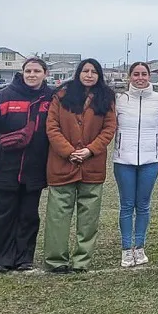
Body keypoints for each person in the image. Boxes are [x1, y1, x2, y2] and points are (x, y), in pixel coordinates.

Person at [0, 57, 54, 272]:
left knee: (29, 215)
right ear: (22, 72)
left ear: (45, 74)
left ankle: (24, 258)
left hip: (34, 168)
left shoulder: (51, 98)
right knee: (3, 214)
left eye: (37, 71)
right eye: (28, 70)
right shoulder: (3, 96)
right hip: (4, 169)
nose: (32, 74)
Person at [43, 59, 116, 273]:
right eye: (85, 71)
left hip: (92, 165)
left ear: (99, 75)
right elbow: (52, 127)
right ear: (78, 73)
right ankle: (56, 260)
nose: (89, 75)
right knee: (58, 216)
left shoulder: (106, 97)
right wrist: (69, 152)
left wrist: (90, 150)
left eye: (94, 71)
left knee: (88, 218)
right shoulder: (61, 95)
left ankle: (81, 261)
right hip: (62, 165)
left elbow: (109, 128)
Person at [112, 61, 158, 267]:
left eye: (143, 74)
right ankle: (126, 249)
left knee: (144, 205)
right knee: (127, 205)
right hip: (124, 160)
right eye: (136, 74)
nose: (140, 78)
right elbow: (110, 126)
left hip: (150, 160)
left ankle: (140, 247)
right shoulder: (120, 99)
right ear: (130, 77)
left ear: (149, 76)